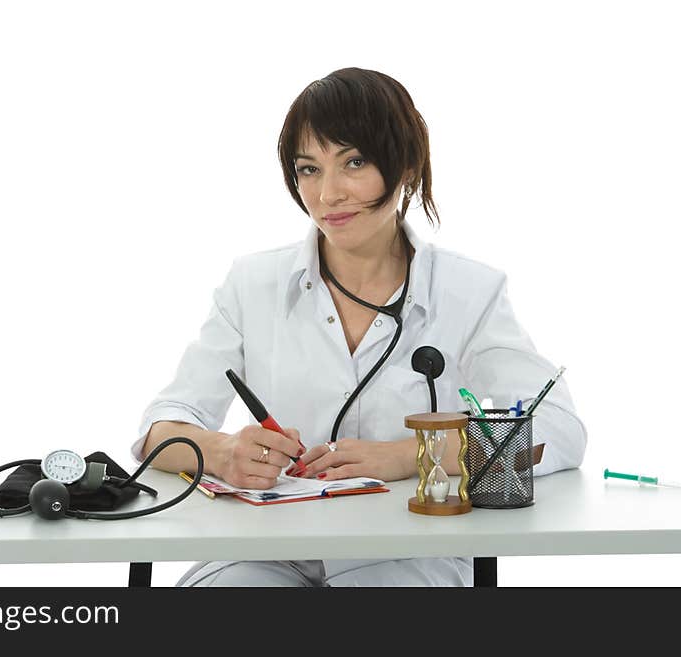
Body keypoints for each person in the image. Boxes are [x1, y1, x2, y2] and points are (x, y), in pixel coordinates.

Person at [131, 67, 587, 587]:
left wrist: (410, 455)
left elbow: (559, 431)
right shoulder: (252, 283)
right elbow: (160, 427)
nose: (327, 194)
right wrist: (220, 450)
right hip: (264, 549)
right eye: (308, 168)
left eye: (354, 162)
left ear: (406, 166)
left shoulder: (469, 291)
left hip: (408, 553)